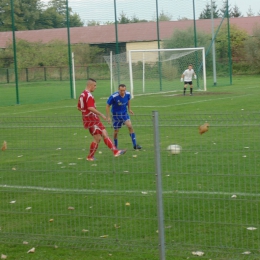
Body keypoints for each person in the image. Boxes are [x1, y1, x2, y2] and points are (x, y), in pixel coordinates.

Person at [77, 78, 126, 161]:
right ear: (90, 85)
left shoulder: (82, 94)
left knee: (101, 135)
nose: (95, 87)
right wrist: (101, 114)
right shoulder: (88, 95)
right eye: (94, 85)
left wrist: (85, 114)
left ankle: (113, 152)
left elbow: (79, 108)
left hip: (89, 119)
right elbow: (90, 107)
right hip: (92, 119)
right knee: (101, 136)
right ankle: (112, 152)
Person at [106, 84, 141, 150]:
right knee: (116, 131)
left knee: (130, 126)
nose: (122, 92)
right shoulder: (114, 96)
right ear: (118, 89)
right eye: (121, 90)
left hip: (124, 114)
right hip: (116, 115)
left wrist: (129, 109)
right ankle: (115, 147)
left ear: (125, 89)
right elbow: (107, 105)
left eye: (124, 90)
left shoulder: (127, 94)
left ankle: (135, 145)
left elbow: (128, 100)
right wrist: (108, 117)